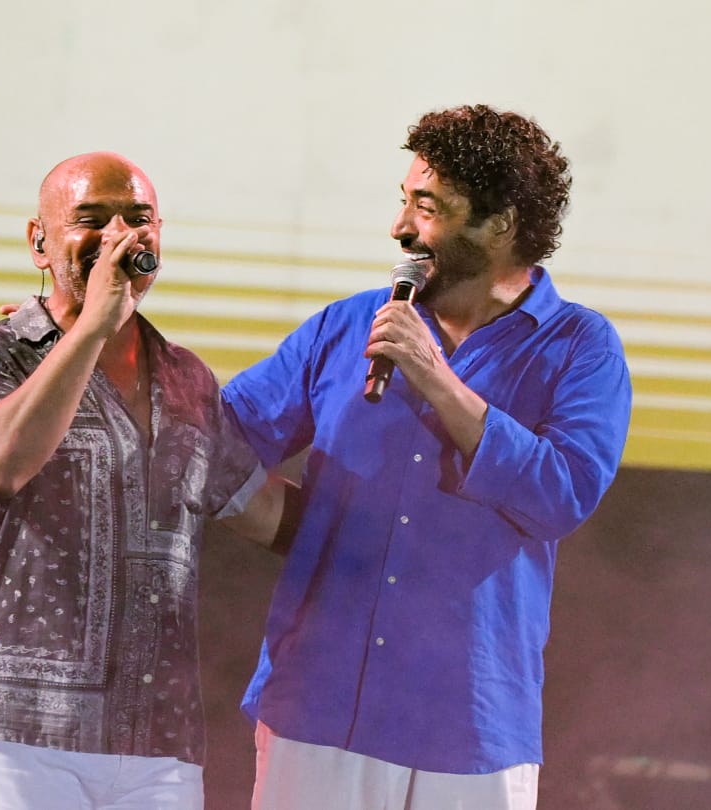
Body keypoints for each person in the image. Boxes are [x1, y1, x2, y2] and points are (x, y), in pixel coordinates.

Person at [223, 104, 633, 810]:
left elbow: (563, 495)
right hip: (316, 705)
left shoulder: (580, 348)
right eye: (404, 200)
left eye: (427, 207)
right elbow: (219, 441)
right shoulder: (345, 326)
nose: (400, 227)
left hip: (469, 726)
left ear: (500, 223)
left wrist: (436, 378)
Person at [0, 151, 287, 810]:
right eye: (91, 219)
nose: (119, 236)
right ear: (39, 243)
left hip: (158, 740)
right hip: (19, 734)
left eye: (137, 218)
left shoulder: (186, 378)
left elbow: (266, 514)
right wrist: (93, 325)